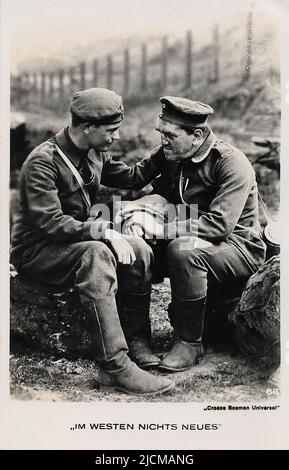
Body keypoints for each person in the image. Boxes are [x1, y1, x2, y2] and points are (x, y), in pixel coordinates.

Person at [10, 87, 174, 396]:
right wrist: (107, 232)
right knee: (97, 255)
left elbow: (131, 177)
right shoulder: (42, 162)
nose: (116, 137)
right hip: (38, 250)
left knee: (138, 249)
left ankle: (136, 340)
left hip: (73, 242)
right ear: (87, 127)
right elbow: (50, 223)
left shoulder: (94, 152)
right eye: (111, 130)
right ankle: (114, 367)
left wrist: (166, 149)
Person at [118, 96, 267, 372]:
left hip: (238, 246)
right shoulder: (175, 152)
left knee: (182, 250)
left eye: (170, 135)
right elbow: (151, 187)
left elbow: (219, 225)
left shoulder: (231, 162)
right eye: (160, 133)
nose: (162, 141)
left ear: (196, 135)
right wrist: (139, 212)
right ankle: (137, 339)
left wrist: (160, 229)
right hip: (190, 236)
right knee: (135, 246)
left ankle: (189, 342)